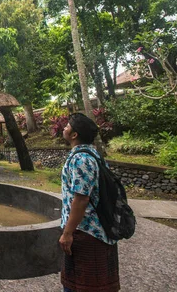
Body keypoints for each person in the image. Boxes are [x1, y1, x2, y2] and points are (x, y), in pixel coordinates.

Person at [60, 113, 119, 292]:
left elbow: (81, 199)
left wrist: (68, 233)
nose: (64, 127)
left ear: (74, 134)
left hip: (87, 231)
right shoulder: (92, 154)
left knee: (81, 286)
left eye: (68, 126)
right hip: (93, 230)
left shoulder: (81, 159)